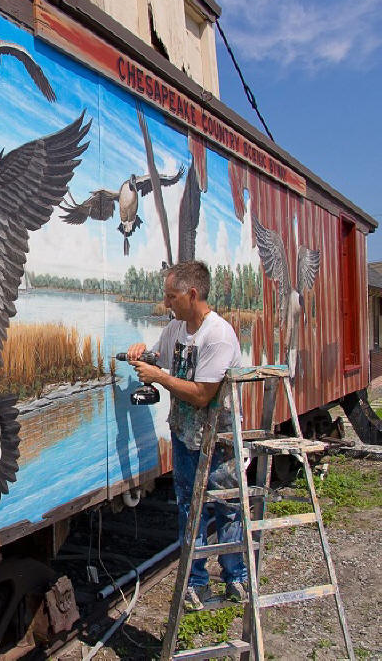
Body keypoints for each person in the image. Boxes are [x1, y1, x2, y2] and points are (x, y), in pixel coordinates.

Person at [126, 260, 247, 611]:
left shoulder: (218, 335)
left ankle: (235, 578)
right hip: (184, 435)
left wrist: (159, 377)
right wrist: (141, 352)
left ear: (192, 294)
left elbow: (201, 394)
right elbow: (158, 357)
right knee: (188, 507)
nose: (166, 303)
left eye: (171, 296)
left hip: (218, 439)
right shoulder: (177, 329)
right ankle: (195, 583)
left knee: (226, 506)